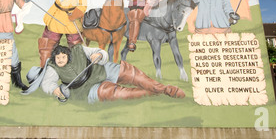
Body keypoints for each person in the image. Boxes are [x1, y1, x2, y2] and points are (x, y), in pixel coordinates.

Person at [22, 44, 185, 103]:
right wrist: (55, 90)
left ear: (68, 54)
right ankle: (154, 93)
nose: (60, 60)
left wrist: (98, 55)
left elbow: (99, 52)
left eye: (63, 57)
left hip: (99, 69)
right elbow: (48, 84)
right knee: (115, 93)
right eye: (58, 59)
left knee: (131, 73)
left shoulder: (79, 49)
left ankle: (163, 88)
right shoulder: (52, 68)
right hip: (84, 90)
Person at [24, 0, 87, 67]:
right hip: (56, 17)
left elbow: (82, 5)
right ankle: (44, 68)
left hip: (71, 20)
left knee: (76, 47)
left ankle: (77, 69)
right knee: (47, 46)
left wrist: (74, 15)